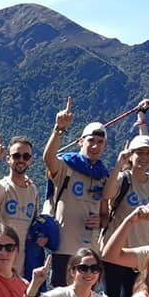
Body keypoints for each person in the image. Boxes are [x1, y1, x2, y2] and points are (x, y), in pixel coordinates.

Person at [42, 98, 110, 286]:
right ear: (80, 142)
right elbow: (48, 159)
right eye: (91, 141)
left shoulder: (104, 176)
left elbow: (106, 216)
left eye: (100, 142)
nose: (95, 146)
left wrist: (100, 221)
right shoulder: (67, 166)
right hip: (64, 248)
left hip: (90, 252)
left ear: (105, 146)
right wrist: (59, 129)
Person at [99, 134, 149, 297]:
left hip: (140, 254)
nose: (143, 158)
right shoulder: (122, 179)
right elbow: (107, 194)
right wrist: (118, 165)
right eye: (139, 153)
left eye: (148, 153)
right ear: (131, 155)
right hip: (114, 251)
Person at [0, 136, 41, 275]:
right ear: (8, 159)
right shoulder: (0, 187)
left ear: (30, 160)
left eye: (26, 156)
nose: (21, 159)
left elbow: (34, 223)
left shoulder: (32, 190)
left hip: (19, 265)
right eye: (16, 156)